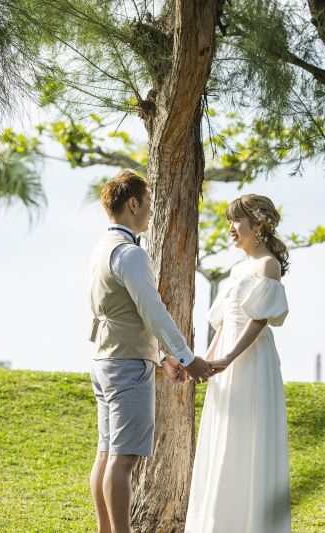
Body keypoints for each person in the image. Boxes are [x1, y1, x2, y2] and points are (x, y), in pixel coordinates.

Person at [88, 170, 218, 533]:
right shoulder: (129, 253)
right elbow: (153, 311)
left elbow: (121, 312)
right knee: (123, 459)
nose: (151, 210)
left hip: (105, 360)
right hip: (127, 367)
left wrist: (162, 357)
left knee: (106, 454)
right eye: (148, 203)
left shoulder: (102, 248)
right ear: (133, 204)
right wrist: (188, 358)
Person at [185, 194, 292, 533]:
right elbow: (223, 324)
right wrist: (207, 360)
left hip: (252, 360)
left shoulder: (268, 265)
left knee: (249, 437)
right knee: (223, 438)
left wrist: (230, 357)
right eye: (229, 221)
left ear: (257, 224)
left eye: (236, 220)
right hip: (227, 358)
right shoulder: (236, 269)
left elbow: (258, 319)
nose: (231, 227)